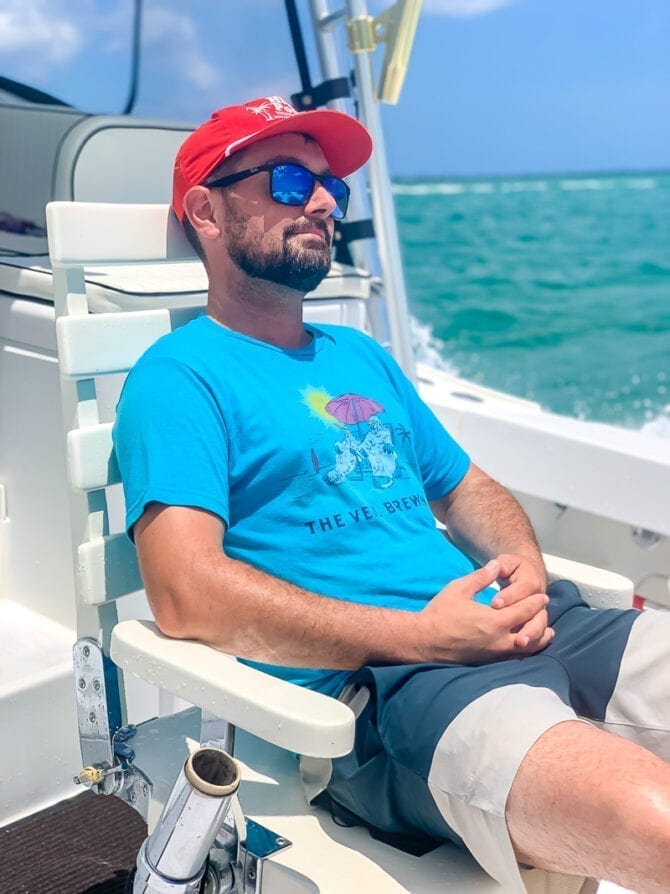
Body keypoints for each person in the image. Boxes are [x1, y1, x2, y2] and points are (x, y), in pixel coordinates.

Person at [113, 96, 670, 893]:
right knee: (656, 829)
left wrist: (525, 571)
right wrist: (425, 636)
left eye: (331, 188)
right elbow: (184, 592)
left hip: (543, 627)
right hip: (393, 692)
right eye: (288, 179)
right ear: (204, 208)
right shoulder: (179, 379)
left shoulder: (358, 355)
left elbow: (468, 485)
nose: (320, 202)